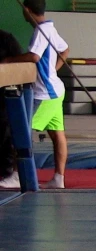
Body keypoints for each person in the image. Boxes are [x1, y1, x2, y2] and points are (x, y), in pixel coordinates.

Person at [2, 0, 69, 189]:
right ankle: (59, 178)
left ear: (27, 10)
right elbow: (65, 49)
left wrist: (8, 60)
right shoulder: (50, 28)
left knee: (21, 131)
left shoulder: (40, 31)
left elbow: (34, 56)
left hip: (44, 93)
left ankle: (17, 175)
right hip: (56, 90)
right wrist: (53, 71)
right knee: (57, 134)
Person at [0, 29, 24, 189]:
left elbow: (20, 60)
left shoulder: (6, 39)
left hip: (3, 92)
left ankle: (7, 169)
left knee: (5, 129)